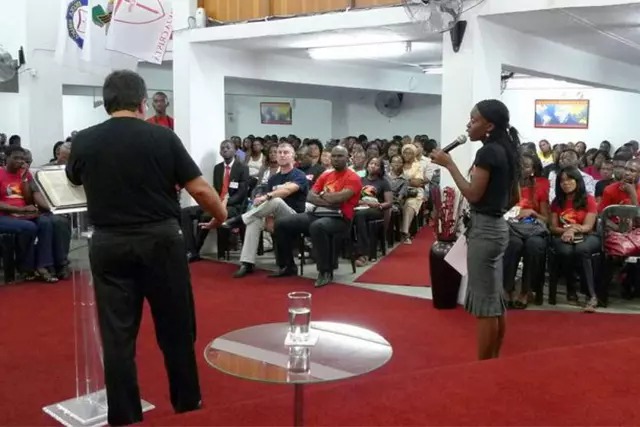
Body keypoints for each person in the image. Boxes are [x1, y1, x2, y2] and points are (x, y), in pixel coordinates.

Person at [66, 70, 226, 426]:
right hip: (160, 242)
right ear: (142, 102)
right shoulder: (163, 136)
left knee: (117, 337)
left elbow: (73, 178)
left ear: (105, 103)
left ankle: (125, 416)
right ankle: (188, 405)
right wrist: (221, 215)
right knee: (176, 330)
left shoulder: (85, 140)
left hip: (108, 243)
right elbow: (200, 189)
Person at [430, 99, 520, 361]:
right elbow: (515, 197)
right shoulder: (508, 149)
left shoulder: (488, 153)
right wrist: (496, 212)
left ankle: (484, 365)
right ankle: (493, 359)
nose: (468, 125)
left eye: (474, 119)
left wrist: (449, 164)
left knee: (484, 305)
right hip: (498, 228)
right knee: (494, 301)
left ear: (489, 126)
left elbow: (472, 194)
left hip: (485, 231)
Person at [272, 146, 362, 287]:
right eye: (334, 156)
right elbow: (310, 196)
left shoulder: (353, 177)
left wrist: (323, 196)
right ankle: (287, 266)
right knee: (282, 223)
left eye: (340, 156)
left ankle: (325, 271)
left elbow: (340, 198)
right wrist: (329, 200)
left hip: (341, 218)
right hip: (318, 213)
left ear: (347, 158)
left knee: (317, 226)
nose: (336, 159)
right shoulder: (326, 175)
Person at [219, 142, 309, 278]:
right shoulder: (274, 179)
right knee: (253, 221)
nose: (282, 155)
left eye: (286, 152)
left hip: (295, 217)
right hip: (276, 216)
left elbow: (287, 190)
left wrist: (267, 196)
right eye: (279, 152)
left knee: (276, 200)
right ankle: (247, 263)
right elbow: (268, 206)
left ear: (293, 156)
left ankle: (239, 219)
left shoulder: (299, 175)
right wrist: (269, 218)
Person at [180, 140, 249, 262]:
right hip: (216, 203)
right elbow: (216, 190)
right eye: (222, 148)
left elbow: (241, 194)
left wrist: (224, 203)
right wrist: (208, 202)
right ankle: (191, 249)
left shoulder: (242, 168)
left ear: (235, 151)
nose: (225, 150)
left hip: (233, 206)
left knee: (207, 215)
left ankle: (195, 251)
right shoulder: (217, 168)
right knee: (185, 212)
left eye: (228, 147)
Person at [0, 146, 59, 282]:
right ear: (6, 158)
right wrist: (20, 210)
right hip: (4, 215)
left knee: (46, 223)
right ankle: (26, 267)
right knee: (29, 227)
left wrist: (24, 180)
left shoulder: (25, 174)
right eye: (15, 158)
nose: (20, 161)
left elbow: (27, 199)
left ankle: (42, 265)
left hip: (23, 214)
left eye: (22, 159)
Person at [503, 153, 549, 309]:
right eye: (520, 166)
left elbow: (546, 219)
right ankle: (507, 288)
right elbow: (501, 212)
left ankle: (525, 290)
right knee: (513, 245)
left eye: (527, 166)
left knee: (534, 246)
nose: (522, 169)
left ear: (533, 170)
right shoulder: (509, 186)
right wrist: (514, 213)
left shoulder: (540, 188)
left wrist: (532, 212)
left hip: (533, 229)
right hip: (512, 227)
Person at [549, 167, 599, 312]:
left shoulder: (588, 199)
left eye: (570, 179)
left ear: (578, 181)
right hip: (562, 235)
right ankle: (571, 289)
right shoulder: (557, 201)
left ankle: (591, 295)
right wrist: (565, 232)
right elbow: (553, 227)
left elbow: (588, 226)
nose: (566, 183)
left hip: (587, 235)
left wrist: (573, 230)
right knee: (566, 251)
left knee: (582, 250)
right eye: (562, 181)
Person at [354, 157, 392, 266]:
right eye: (371, 163)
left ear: (380, 169)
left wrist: (378, 205)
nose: (373, 166)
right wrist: (361, 202)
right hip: (360, 207)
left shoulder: (383, 182)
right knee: (352, 214)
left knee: (360, 215)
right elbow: (353, 198)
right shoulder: (360, 180)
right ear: (367, 165)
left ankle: (363, 253)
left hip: (376, 209)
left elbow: (389, 203)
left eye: (376, 164)